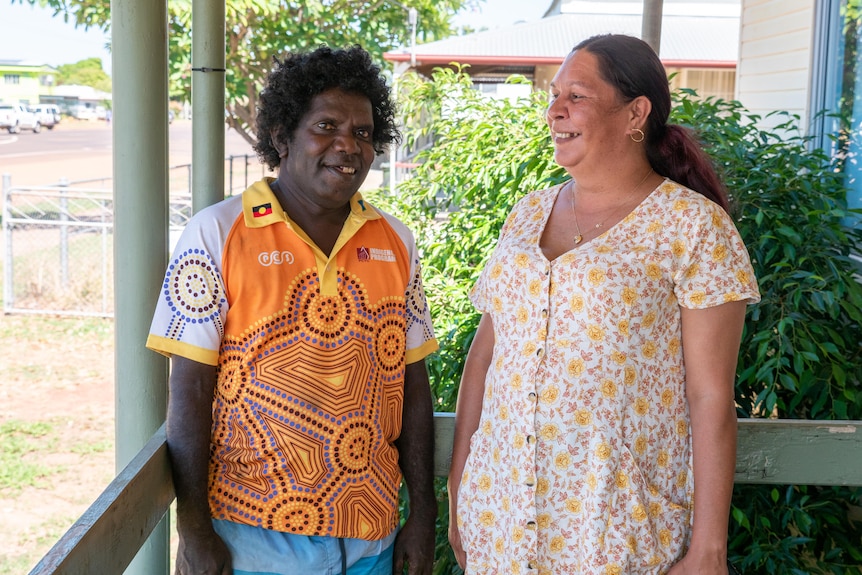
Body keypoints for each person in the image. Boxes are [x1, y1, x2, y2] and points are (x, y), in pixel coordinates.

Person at [447, 34, 760, 575]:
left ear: (636, 112)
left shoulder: (693, 226)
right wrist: (459, 491)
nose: (556, 110)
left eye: (578, 96)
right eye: (554, 95)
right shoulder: (527, 213)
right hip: (500, 520)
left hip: (614, 530)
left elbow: (711, 395)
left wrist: (708, 549)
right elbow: (484, 360)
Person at [147, 45, 438, 575]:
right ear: (282, 136)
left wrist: (422, 517)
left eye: (365, 132)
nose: (348, 146)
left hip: (371, 537)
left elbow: (413, 384)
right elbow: (188, 390)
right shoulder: (216, 233)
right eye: (326, 126)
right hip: (249, 537)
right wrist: (193, 531)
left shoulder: (396, 240)